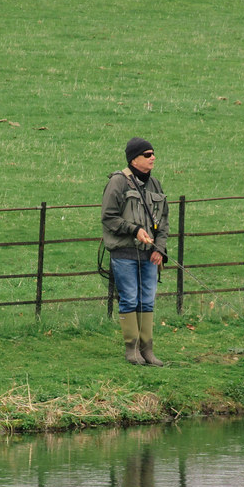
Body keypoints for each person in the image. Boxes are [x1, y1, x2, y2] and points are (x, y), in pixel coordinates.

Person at [101, 137, 169, 366]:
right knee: (129, 300)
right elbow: (109, 218)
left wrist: (160, 249)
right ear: (134, 159)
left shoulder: (156, 185)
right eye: (148, 154)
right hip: (124, 254)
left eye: (153, 154)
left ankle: (147, 351)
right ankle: (132, 351)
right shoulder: (117, 183)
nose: (153, 158)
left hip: (150, 256)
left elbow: (165, 220)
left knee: (147, 301)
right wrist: (135, 230)